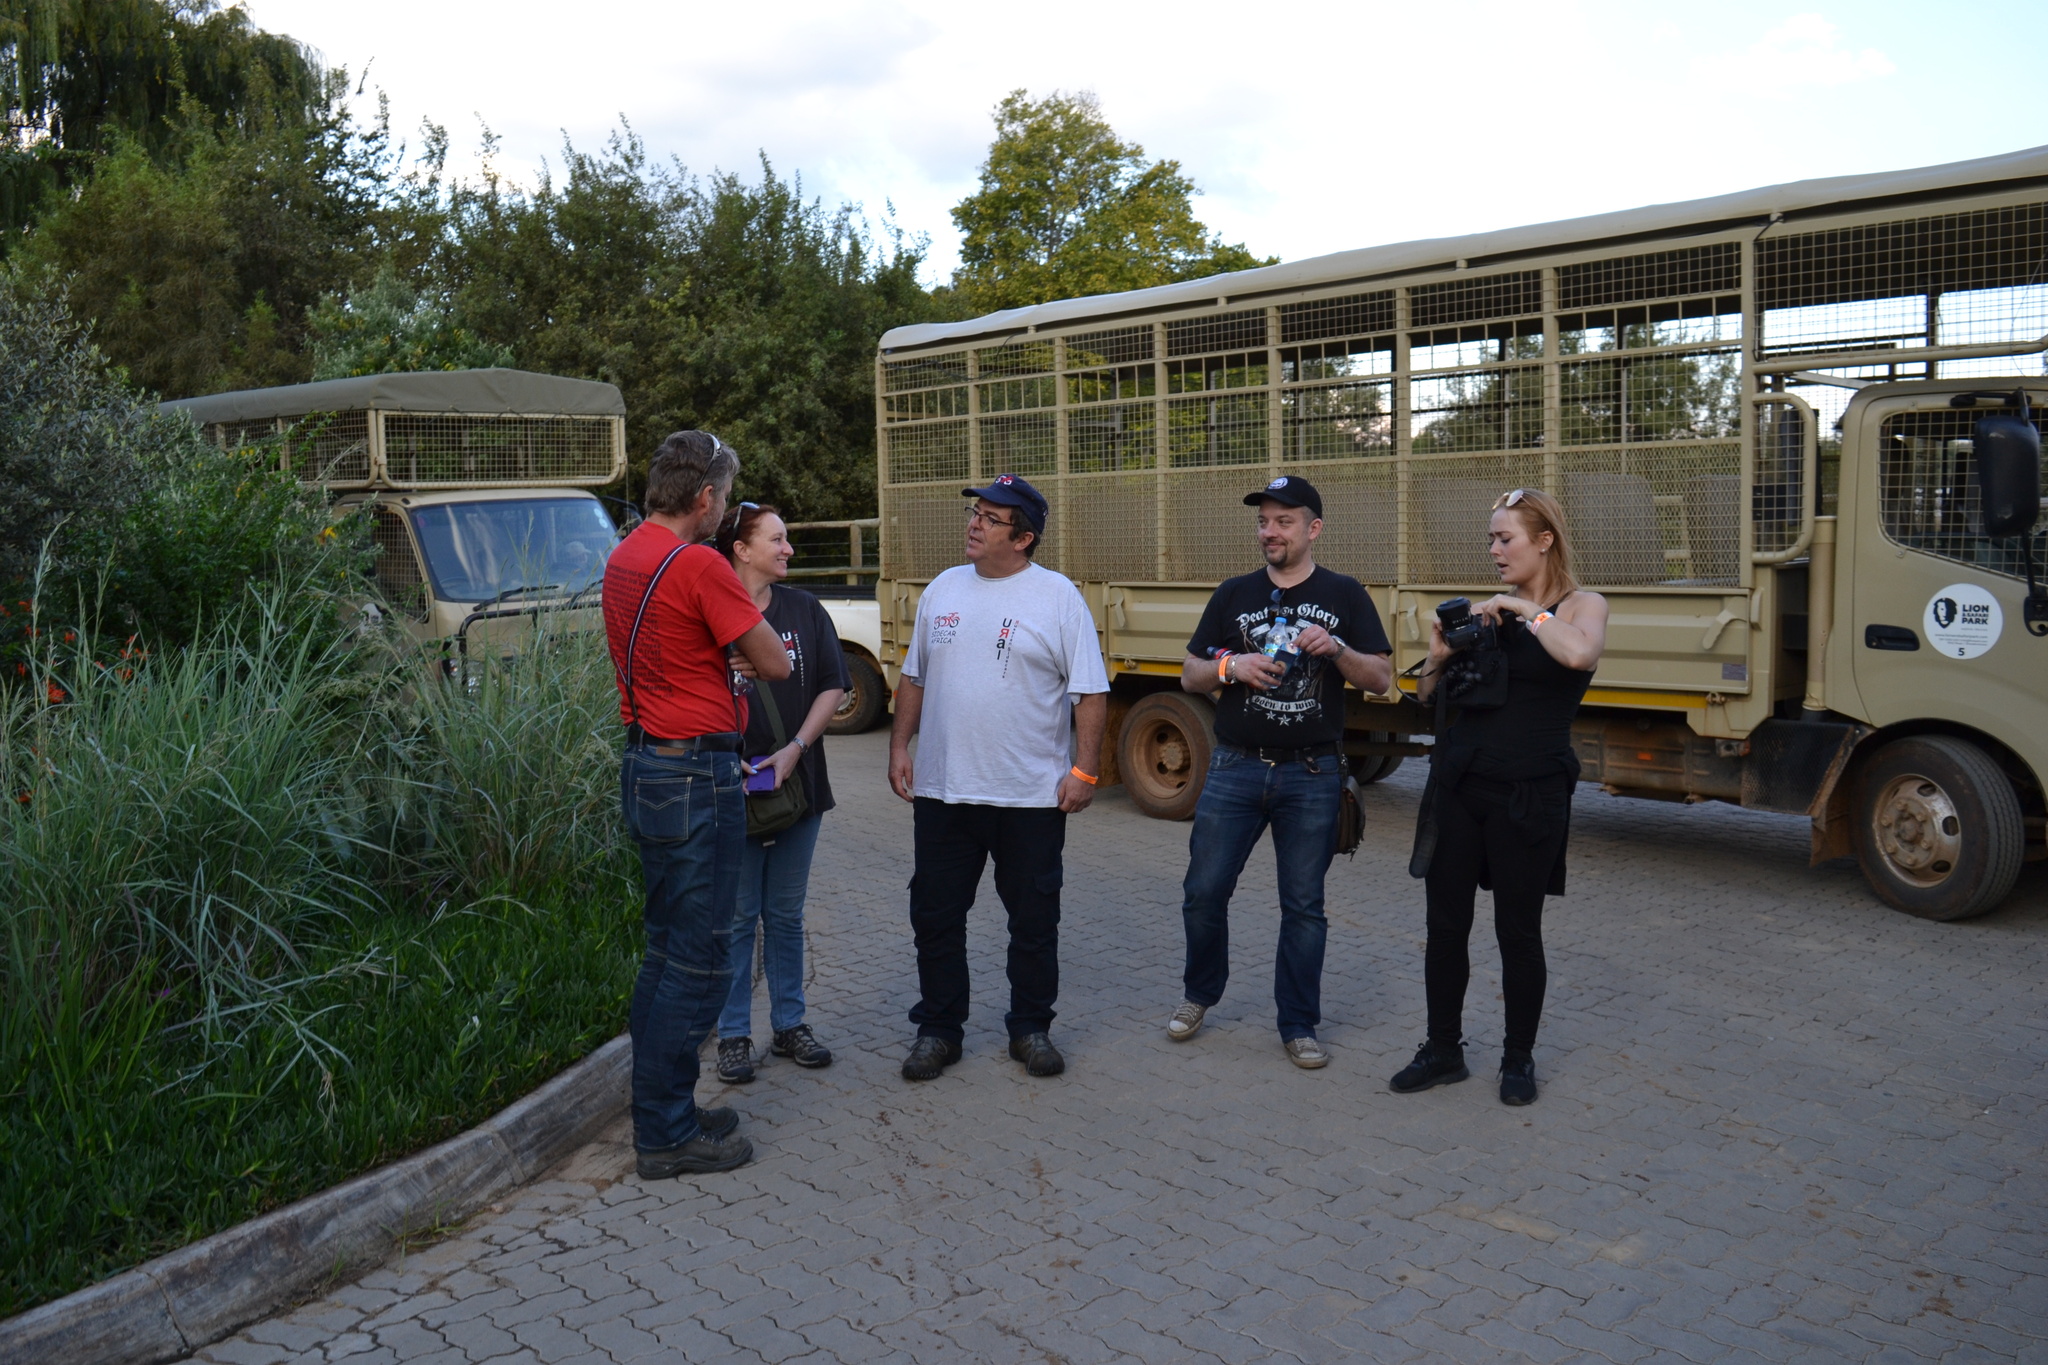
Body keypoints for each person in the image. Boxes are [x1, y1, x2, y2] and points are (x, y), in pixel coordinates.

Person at [601, 431, 791, 1179]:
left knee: (664, 951)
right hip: (696, 773)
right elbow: (774, 660)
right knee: (702, 959)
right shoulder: (698, 564)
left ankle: (662, 1110)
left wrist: (716, 646)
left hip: (647, 762)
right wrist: (733, 646)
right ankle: (668, 1132)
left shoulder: (624, 557)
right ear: (706, 497)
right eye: (726, 496)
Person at [888, 474, 1110, 1081]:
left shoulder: (1058, 597)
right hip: (943, 791)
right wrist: (899, 745)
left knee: (1033, 923)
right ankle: (938, 1031)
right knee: (934, 919)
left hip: (1030, 798)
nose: (975, 523)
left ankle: (1031, 1028)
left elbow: (1090, 692)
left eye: (992, 517)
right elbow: (915, 677)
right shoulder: (942, 589)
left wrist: (1085, 769)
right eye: (976, 512)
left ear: (1025, 537)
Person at [1392, 487, 1608, 1106]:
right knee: (1445, 927)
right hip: (1461, 788)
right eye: (1490, 538)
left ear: (1544, 541)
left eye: (1504, 538)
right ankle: (1442, 1050)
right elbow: (1430, 699)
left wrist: (1523, 610)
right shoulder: (1483, 616)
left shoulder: (1581, 605)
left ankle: (1518, 1059)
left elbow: (1580, 653)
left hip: (1530, 795)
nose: (1493, 550)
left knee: (1518, 932)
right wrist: (1436, 656)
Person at [1171, 475, 1394, 1068]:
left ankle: (1298, 1024)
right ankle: (1200, 993)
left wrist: (1337, 649)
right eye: (1263, 521)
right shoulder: (1233, 593)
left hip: (1312, 775)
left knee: (1303, 907)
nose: (1270, 531)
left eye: (1283, 521)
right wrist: (1232, 667)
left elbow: (1382, 678)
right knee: (1203, 892)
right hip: (1234, 770)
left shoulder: (1345, 594)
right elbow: (1190, 672)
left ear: (1313, 528)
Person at [711, 503, 849, 1084]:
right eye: (778, 539)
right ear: (741, 549)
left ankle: (790, 1025)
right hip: (731, 789)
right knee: (740, 917)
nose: (788, 549)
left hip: (799, 788)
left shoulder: (804, 609)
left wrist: (796, 748)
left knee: (785, 915)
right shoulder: (710, 611)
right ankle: (734, 1038)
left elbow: (833, 686)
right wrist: (727, 758)